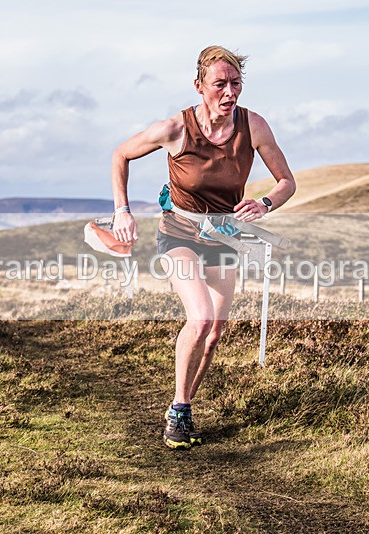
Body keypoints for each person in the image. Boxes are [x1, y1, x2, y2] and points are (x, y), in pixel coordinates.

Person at [110, 45, 296, 450]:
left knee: (214, 334)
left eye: (236, 84)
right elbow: (121, 155)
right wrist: (121, 210)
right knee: (201, 318)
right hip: (178, 233)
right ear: (199, 87)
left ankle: (185, 405)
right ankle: (178, 410)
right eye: (220, 85)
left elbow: (286, 182)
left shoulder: (254, 127)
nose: (229, 93)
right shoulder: (175, 128)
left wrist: (264, 203)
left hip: (223, 236)